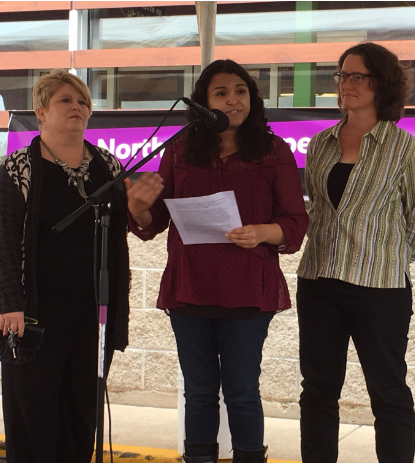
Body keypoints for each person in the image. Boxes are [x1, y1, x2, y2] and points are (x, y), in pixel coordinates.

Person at [124, 59, 308, 463]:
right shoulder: (180, 150)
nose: (232, 99)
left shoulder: (274, 151)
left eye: (240, 91)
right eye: (221, 92)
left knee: (242, 391)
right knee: (200, 391)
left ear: (252, 98)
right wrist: (137, 208)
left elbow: (295, 223)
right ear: (203, 103)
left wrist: (261, 231)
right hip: (191, 285)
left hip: (247, 286)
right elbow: (154, 222)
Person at [296, 42, 415, 463]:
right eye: (342, 76)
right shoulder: (319, 144)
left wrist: (383, 257)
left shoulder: (405, 149)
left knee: (388, 391)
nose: (346, 84)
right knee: (317, 390)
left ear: (382, 83)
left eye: (358, 76)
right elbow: (318, 210)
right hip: (319, 282)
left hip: (380, 289)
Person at [0, 69, 130, 463]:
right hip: (34, 314)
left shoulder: (109, 166)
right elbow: (3, 242)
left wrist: (142, 204)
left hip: (92, 313)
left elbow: (125, 234)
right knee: (34, 415)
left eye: (83, 101)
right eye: (65, 100)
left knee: (81, 414)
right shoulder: (19, 169)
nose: (77, 107)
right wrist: (12, 304)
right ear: (41, 112)